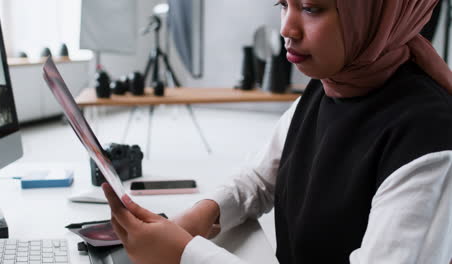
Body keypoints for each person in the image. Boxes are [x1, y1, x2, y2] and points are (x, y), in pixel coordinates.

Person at [102, 0, 452, 263]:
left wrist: (185, 254)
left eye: (312, 8)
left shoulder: (428, 138)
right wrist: (200, 216)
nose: (287, 28)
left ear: (378, 14)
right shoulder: (328, 85)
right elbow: (259, 177)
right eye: (283, 4)